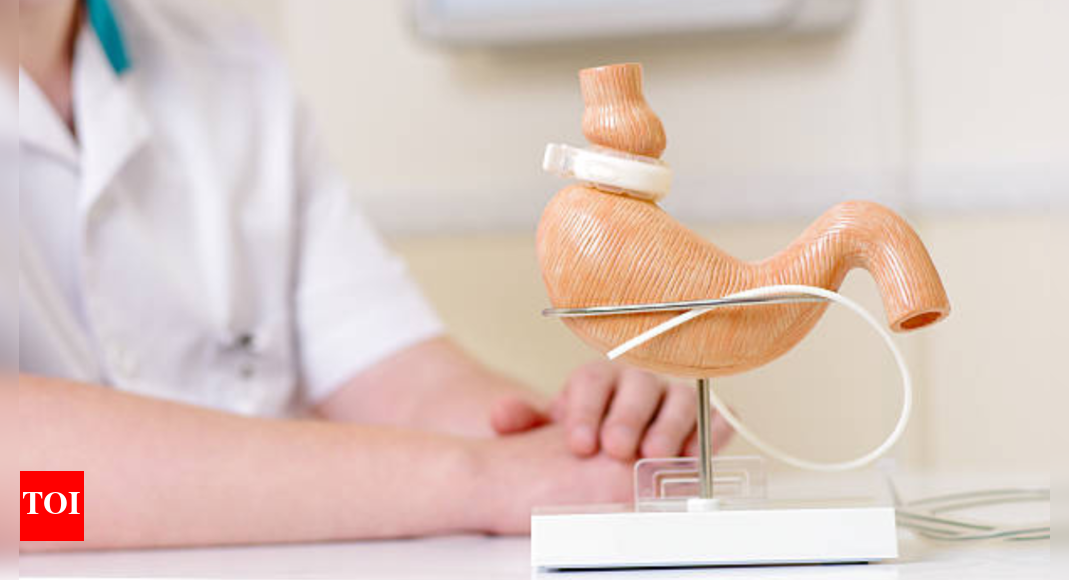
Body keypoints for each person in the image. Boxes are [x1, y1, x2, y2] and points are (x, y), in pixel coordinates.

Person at [13, 0, 732, 551]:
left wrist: (588, 441)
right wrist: (482, 480)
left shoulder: (229, 69)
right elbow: (28, 496)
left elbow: (398, 376)